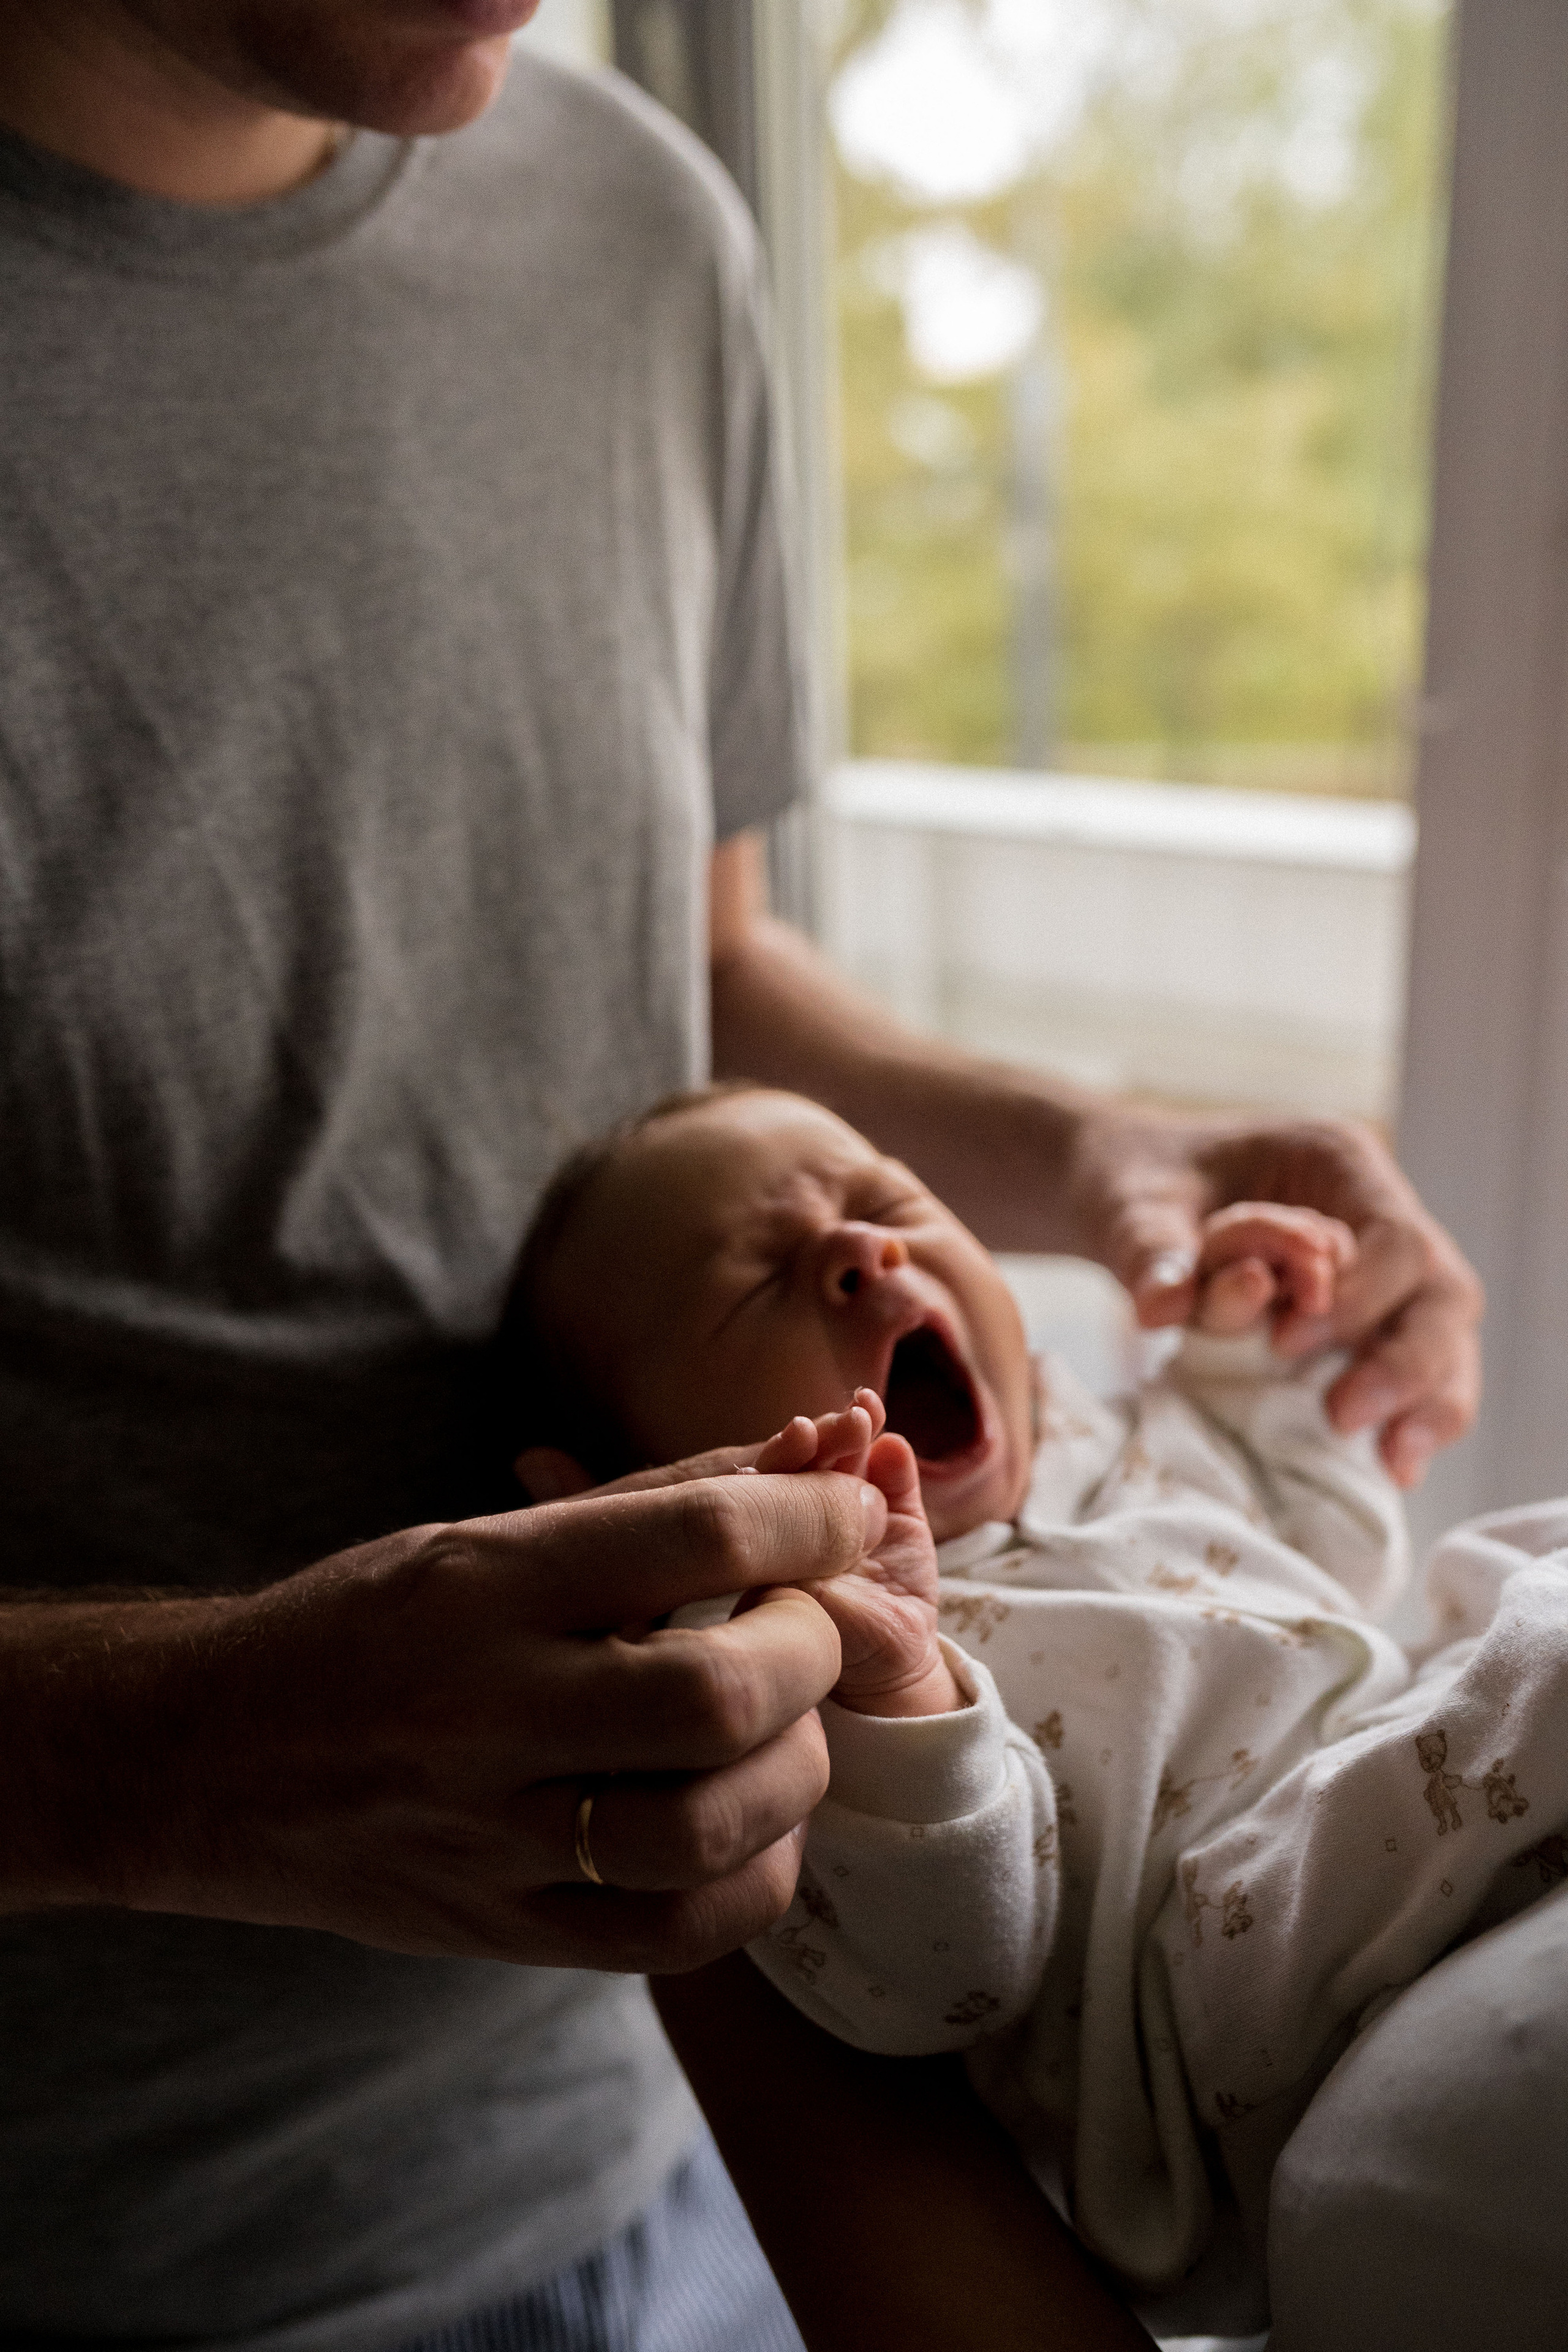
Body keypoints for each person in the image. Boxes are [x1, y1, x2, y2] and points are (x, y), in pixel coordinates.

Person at [0, 5, 1482, 2350]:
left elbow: (681, 968)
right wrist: (156, 1758)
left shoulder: (629, 233)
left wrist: (1108, 1154)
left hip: (713, 2129)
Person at [508, 1082, 1567, 2335]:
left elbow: (1334, 1555)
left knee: (1524, 1579)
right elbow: (941, 1978)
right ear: (629, 1493)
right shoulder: (788, 1658)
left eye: (885, 1201)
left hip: (1383, 1775)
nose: (865, 1251)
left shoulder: (1090, 1433)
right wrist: (902, 1691)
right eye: (753, 1283)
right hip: (1226, 1975)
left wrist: (1245, 1374)